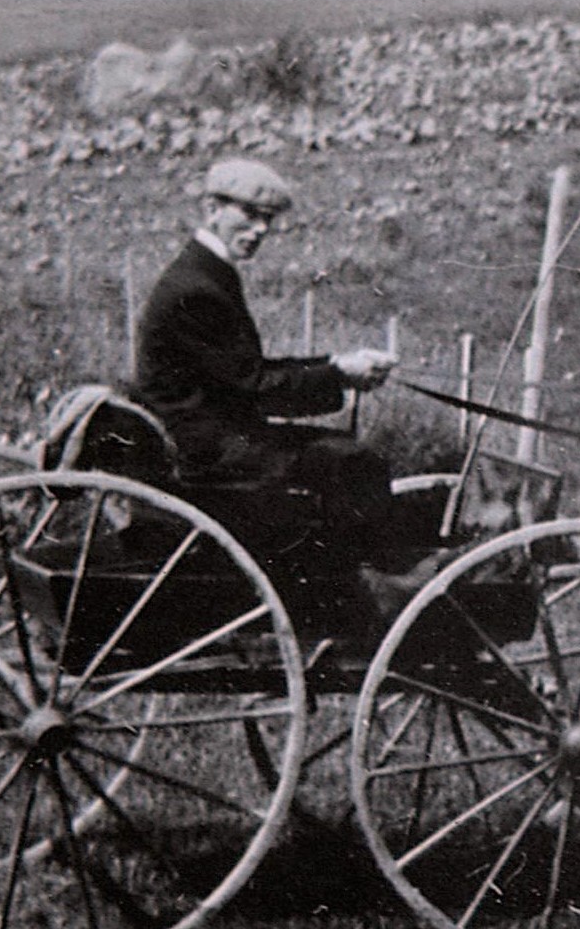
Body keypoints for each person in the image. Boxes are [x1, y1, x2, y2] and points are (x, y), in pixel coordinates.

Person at [133, 157, 406, 610]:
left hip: (207, 436)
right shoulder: (198, 287)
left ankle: (346, 588)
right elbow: (257, 384)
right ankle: (358, 602)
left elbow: (245, 372)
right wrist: (340, 373)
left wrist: (339, 365)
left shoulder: (202, 273)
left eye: (268, 220)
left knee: (342, 455)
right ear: (211, 209)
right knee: (355, 463)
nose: (260, 229)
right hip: (208, 450)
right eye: (250, 215)